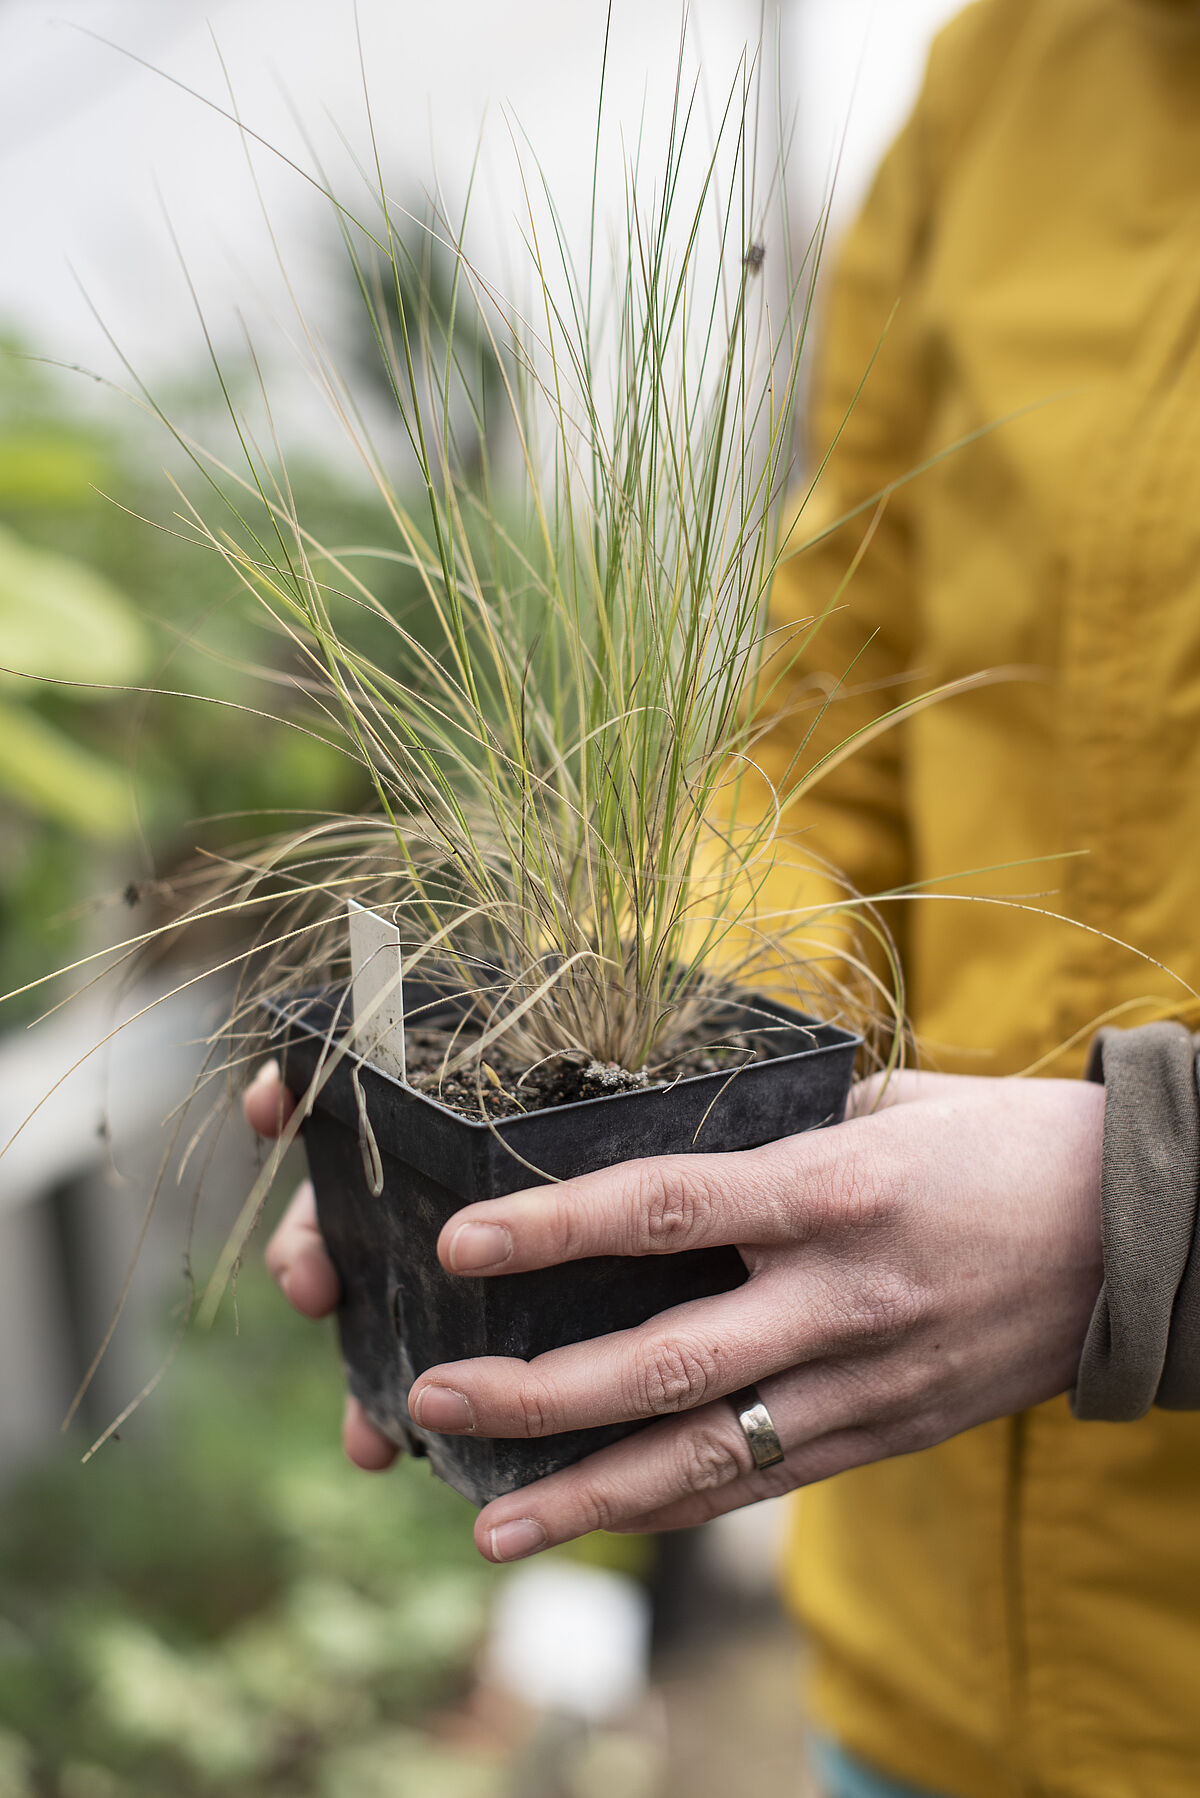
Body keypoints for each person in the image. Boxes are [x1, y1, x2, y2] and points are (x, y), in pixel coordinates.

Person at [246, 2, 1200, 1792]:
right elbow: (833, 726)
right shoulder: (1014, 69)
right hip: (921, 1685)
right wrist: (638, 1017)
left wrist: (1147, 1214)